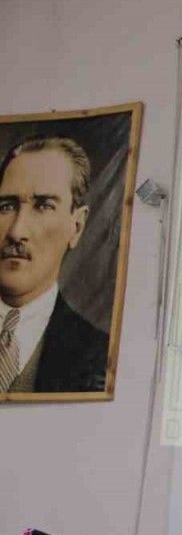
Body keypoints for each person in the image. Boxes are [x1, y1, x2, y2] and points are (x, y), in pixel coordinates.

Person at [0, 136, 108, 393]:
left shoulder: (101, 356)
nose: (16, 231)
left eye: (44, 206)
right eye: (6, 206)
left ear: (76, 226)